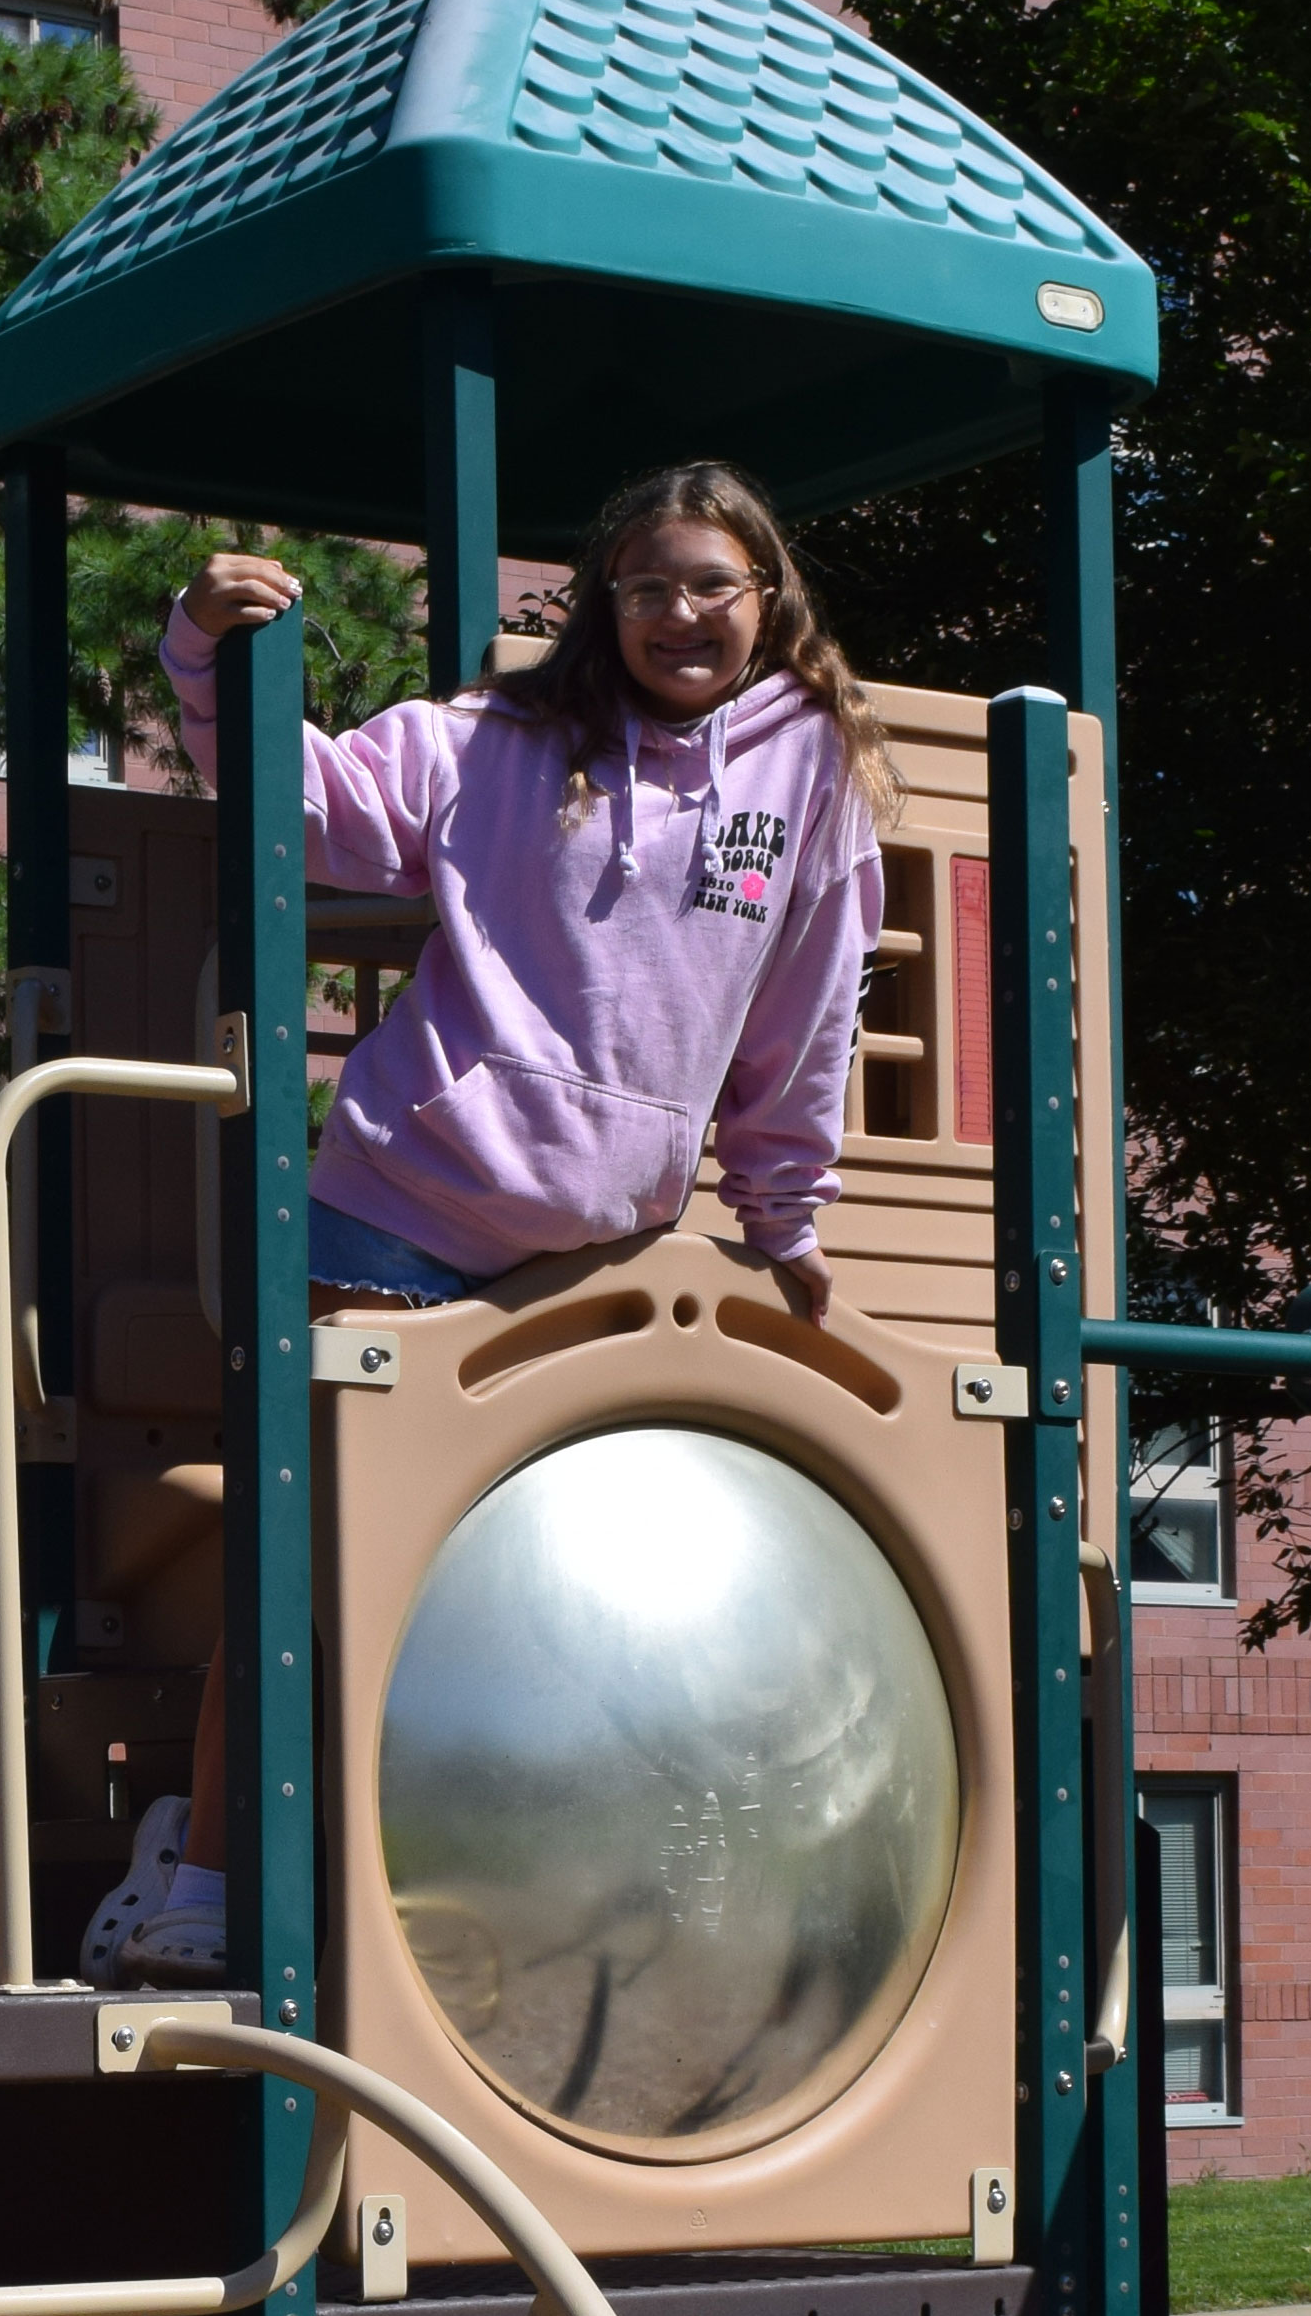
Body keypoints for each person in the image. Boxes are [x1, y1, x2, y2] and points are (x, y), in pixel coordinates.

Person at [91, 457, 892, 1984]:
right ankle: (202, 1874)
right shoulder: (501, 738)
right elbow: (311, 812)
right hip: (399, 1218)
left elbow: (804, 1021)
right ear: (607, 603)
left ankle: (459, 1894)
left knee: (532, 1596)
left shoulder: (809, 778)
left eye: (710, 584)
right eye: (646, 585)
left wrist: (786, 1219)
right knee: (315, 1561)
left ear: (765, 597)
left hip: (593, 1262)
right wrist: (204, 651)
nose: (678, 614)